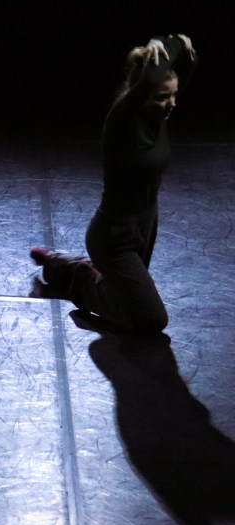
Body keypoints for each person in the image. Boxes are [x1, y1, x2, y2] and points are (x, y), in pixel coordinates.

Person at [30, 34, 197, 333]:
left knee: (126, 299)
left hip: (147, 225)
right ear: (140, 94)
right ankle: (83, 281)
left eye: (173, 95)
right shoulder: (122, 121)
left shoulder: (158, 116)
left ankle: (60, 264)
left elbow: (183, 65)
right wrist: (168, 42)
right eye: (163, 97)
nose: (172, 103)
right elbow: (154, 76)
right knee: (152, 320)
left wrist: (179, 47)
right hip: (114, 237)